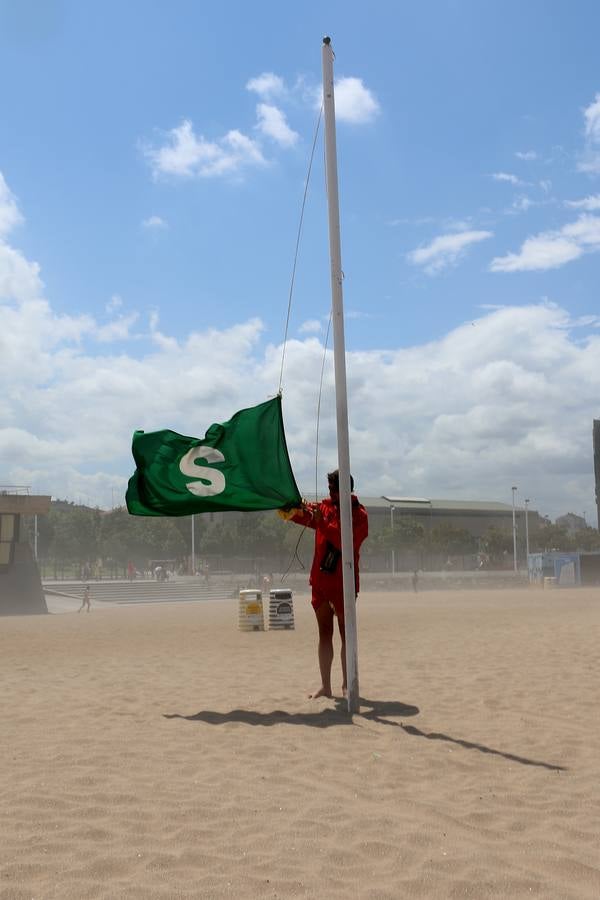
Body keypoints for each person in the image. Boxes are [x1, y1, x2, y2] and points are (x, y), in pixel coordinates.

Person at [279, 469, 368, 698]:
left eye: (333, 489)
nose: (330, 493)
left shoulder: (360, 515)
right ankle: (326, 686)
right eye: (329, 489)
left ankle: (348, 685)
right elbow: (304, 516)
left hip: (344, 584)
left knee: (346, 634)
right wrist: (288, 507)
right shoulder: (325, 508)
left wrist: (322, 523)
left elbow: (344, 542)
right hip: (320, 582)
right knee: (324, 633)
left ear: (346, 489)